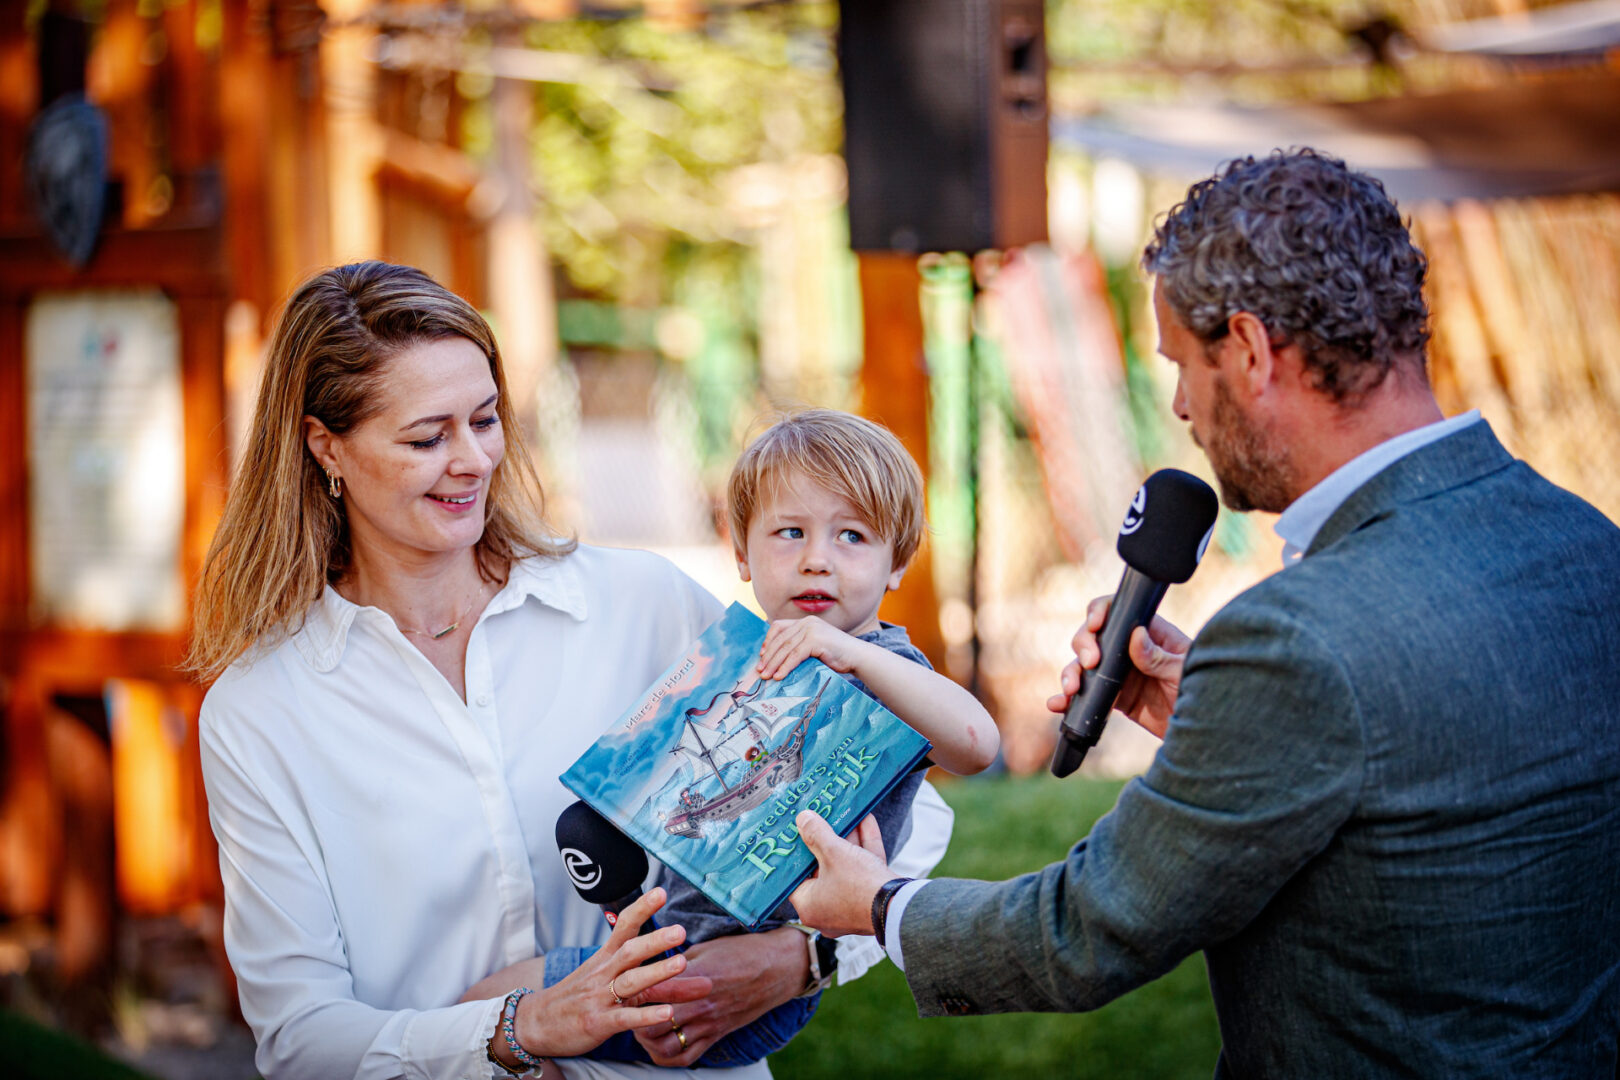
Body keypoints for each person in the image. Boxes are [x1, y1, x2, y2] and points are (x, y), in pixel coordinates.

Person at [787, 149, 1620, 1078]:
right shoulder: (1587, 543)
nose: (1180, 406)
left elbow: (1087, 930)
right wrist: (1225, 728)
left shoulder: (1298, 638)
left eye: (1182, 365)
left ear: (1253, 352)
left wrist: (882, 904)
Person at [187, 261, 953, 1080]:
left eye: (485, 420)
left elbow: (910, 814)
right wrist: (522, 1026)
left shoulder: (640, 604)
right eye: (426, 437)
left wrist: (800, 958)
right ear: (324, 446)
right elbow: (301, 1038)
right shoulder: (261, 712)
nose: (474, 460)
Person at [572, 408, 999, 1069]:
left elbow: (976, 745)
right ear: (741, 554)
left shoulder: (884, 666)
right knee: (506, 1008)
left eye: (852, 536)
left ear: (897, 565)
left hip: (740, 980)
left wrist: (848, 653)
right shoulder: (739, 659)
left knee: (517, 1022)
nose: (816, 559)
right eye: (790, 532)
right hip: (675, 943)